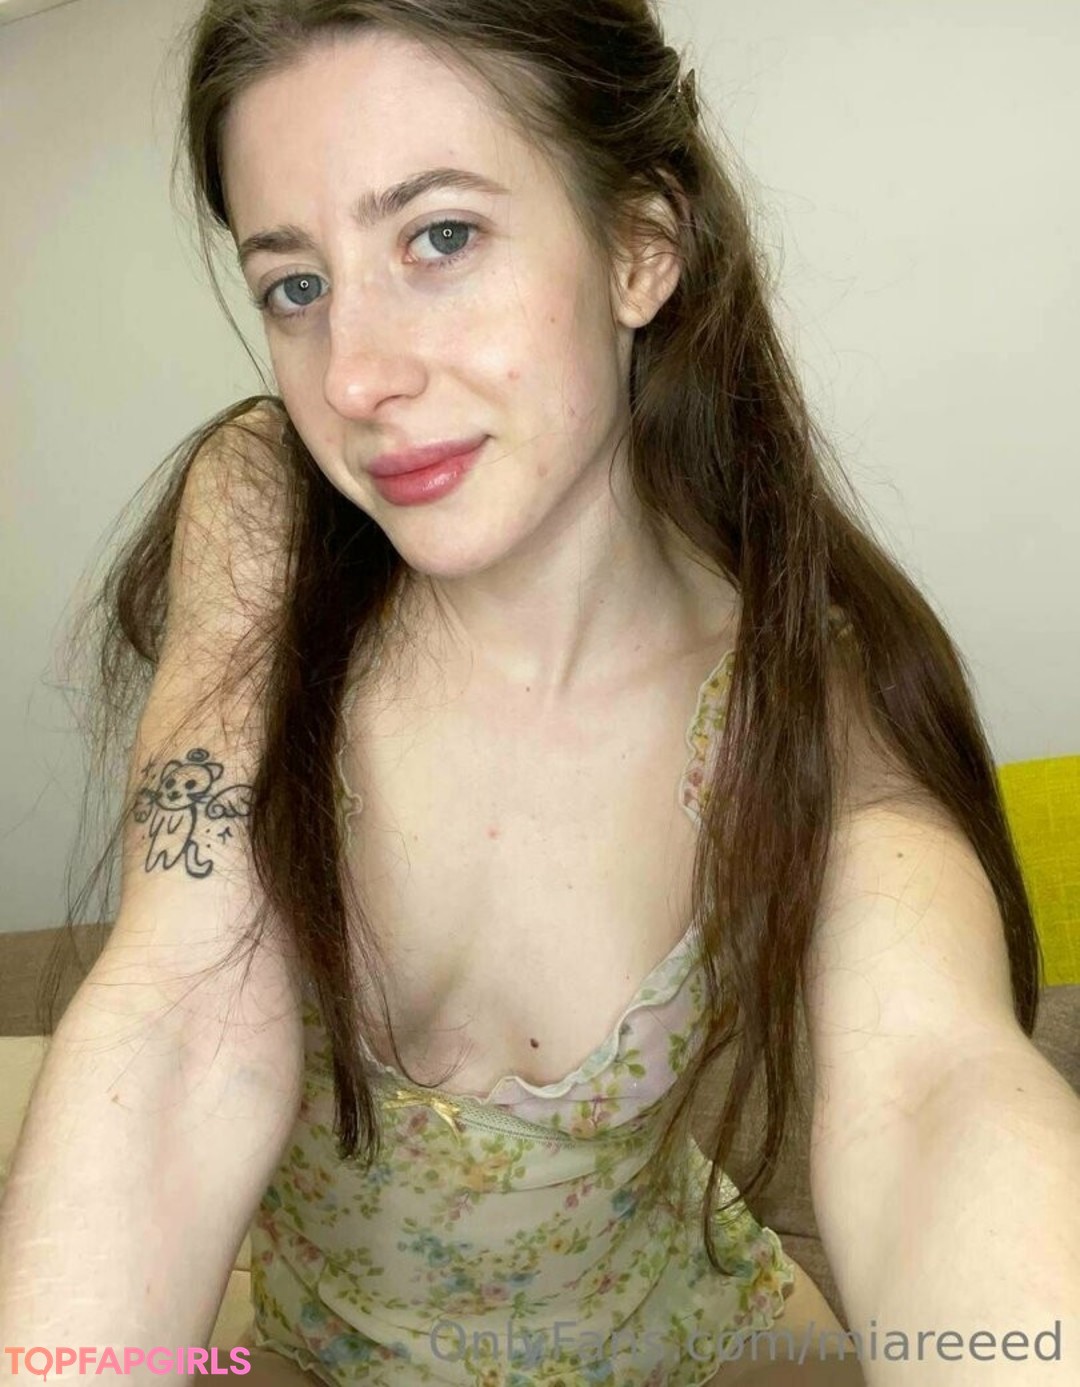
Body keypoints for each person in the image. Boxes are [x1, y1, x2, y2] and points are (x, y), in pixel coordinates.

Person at [2, 2, 1077, 1385]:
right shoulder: (266, 519)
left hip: (686, 1345)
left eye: (440, 236)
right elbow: (179, 1022)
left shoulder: (797, 684)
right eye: (296, 285)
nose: (356, 378)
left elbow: (934, 1093)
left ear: (640, 248)